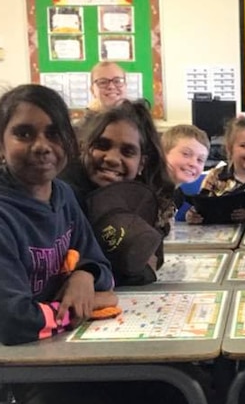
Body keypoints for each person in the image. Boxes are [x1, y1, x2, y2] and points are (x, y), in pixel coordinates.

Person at [0, 84, 187, 404]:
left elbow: (97, 261)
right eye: (24, 133)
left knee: (170, 401)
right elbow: (15, 325)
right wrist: (87, 302)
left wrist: (83, 275)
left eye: (54, 134)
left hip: (50, 354)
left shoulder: (63, 196)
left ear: (69, 144)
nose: (41, 145)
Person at [63, 99, 175, 286]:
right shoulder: (62, 193)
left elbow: (152, 257)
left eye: (128, 151)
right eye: (102, 145)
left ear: (141, 164)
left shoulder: (143, 196)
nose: (113, 159)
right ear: (85, 147)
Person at [186, 115, 245, 224]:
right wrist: (192, 215)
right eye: (244, 146)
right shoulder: (215, 176)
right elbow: (201, 204)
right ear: (230, 148)